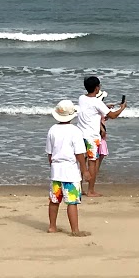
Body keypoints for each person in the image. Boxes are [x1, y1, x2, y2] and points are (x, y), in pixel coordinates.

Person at [75, 76, 127, 196]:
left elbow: (91, 109)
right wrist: (122, 108)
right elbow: (113, 116)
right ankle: (91, 190)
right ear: (97, 88)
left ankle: (79, 189)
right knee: (93, 162)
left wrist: (105, 107)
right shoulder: (97, 102)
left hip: (80, 135)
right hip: (92, 137)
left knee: (81, 163)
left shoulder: (81, 98)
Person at [46, 99, 86, 236]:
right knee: (72, 202)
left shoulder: (52, 130)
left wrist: (52, 165)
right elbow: (79, 153)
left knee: (54, 200)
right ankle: (75, 230)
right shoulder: (75, 131)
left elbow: (49, 154)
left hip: (56, 170)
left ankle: (52, 226)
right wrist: (85, 170)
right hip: (70, 171)